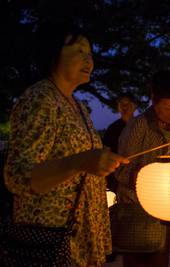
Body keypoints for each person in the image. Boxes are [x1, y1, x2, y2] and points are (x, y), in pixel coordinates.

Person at [3, 22, 128, 266]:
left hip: (79, 236)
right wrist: (81, 161)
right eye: (79, 51)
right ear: (53, 54)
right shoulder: (39, 99)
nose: (88, 59)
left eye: (90, 53)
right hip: (50, 237)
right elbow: (17, 176)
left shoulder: (77, 105)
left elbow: (85, 160)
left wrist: (101, 161)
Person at [115, 69, 170, 267]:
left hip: (163, 211)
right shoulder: (140, 125)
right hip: (137, 211)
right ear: (154, 99)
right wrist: (152, 185)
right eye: (168, 108)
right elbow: (122, 169)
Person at [103, 93, 137, 192]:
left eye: (128, 104)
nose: (124, 108)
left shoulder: (140, 125)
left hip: (137, 173)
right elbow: (106, 152)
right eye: (121, 104)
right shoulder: (112, 129)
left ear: (134, 106)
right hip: (116, 176)